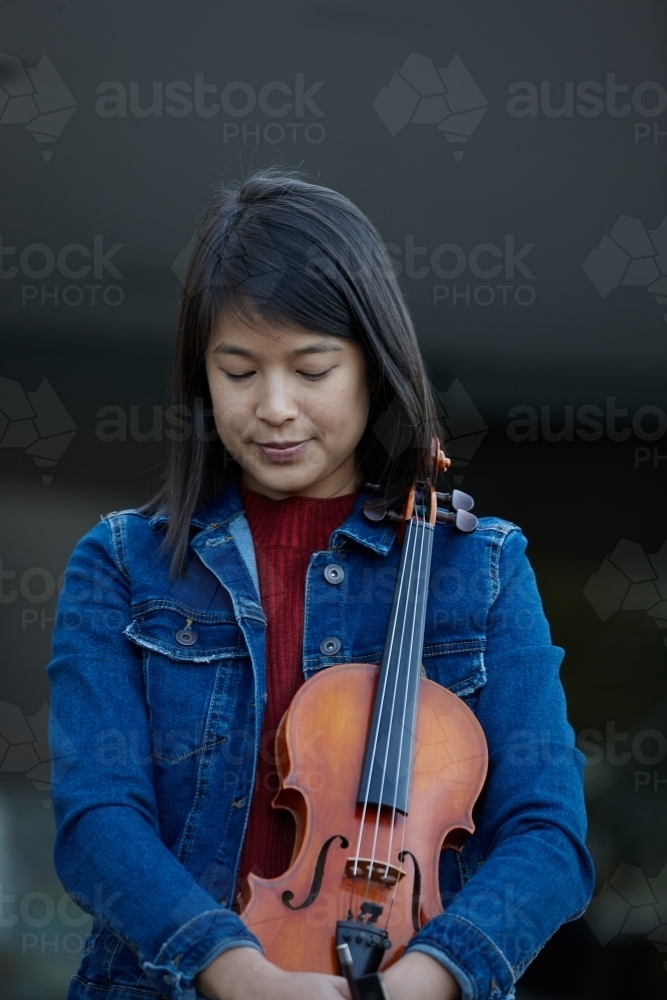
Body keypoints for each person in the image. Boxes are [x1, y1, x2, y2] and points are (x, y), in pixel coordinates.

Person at [48, 170, 594, 1000]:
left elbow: (548, 835)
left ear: (371, 369)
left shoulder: (480, 566)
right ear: (201, 378)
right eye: (238, 372)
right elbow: (97, 820)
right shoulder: (122, 563)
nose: (273, 407)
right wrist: (233, 971)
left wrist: (426, 979)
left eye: (311, 369)